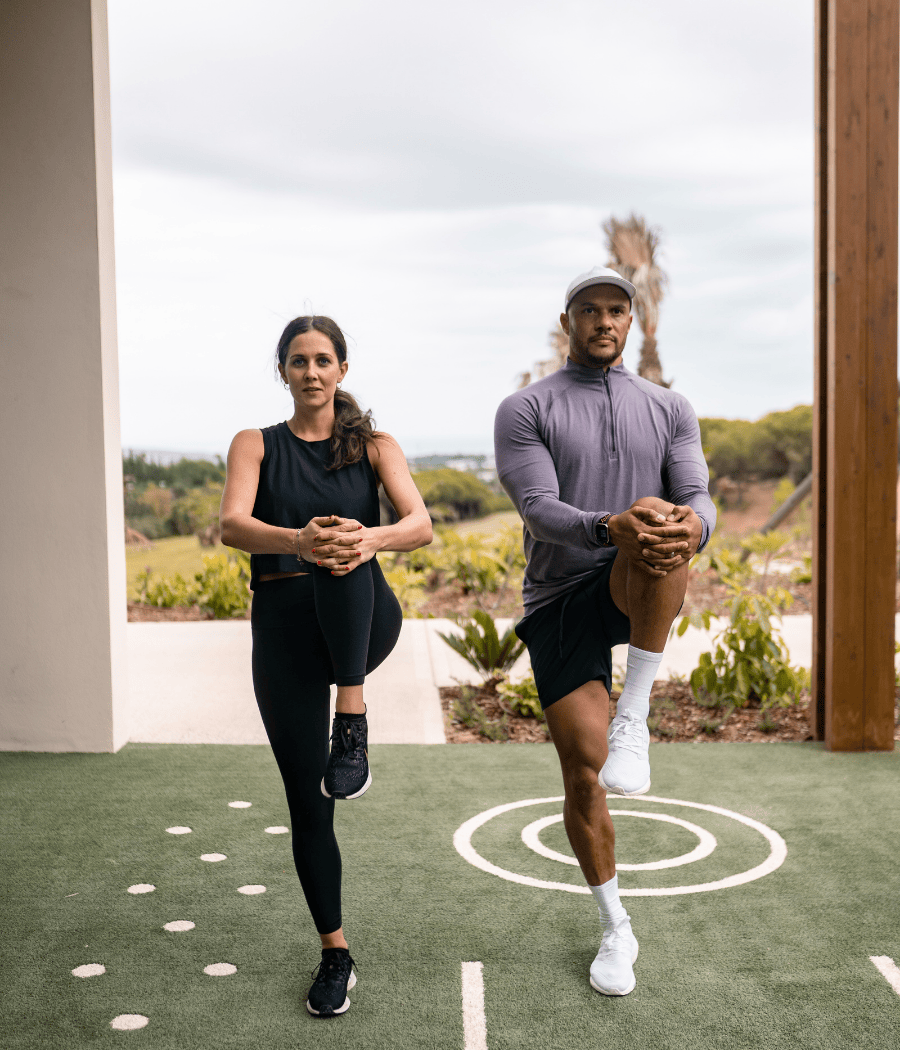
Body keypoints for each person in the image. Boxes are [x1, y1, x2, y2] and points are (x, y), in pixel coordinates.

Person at [494, 266, 716, 998]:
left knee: (662, 516)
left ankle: (637, 714)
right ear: (568, 322)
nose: (604, 321)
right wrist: (607, 525)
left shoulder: (670, 406)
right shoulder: (526, 408)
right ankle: (616, 925)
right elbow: (537, 508)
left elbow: (697, 499)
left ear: (631, 321)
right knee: (586, 774)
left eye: (616, 310)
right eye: (589, 310)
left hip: (636, 571)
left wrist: (693, 526)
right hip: (561, 592)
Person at [219, 314, 432, 1017]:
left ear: (342, 370)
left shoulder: (374, 446)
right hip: (283, 633)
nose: (311, 372)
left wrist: (362, 539)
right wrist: (296, 541)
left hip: (362, 624)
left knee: (345, 547)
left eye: (323, 360)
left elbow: (418, 525)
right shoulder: (255, 444)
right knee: (309, 807)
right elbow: (233, 525)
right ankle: (334, 953)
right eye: (298, 360)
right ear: (282, 371)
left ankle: (354, 717)